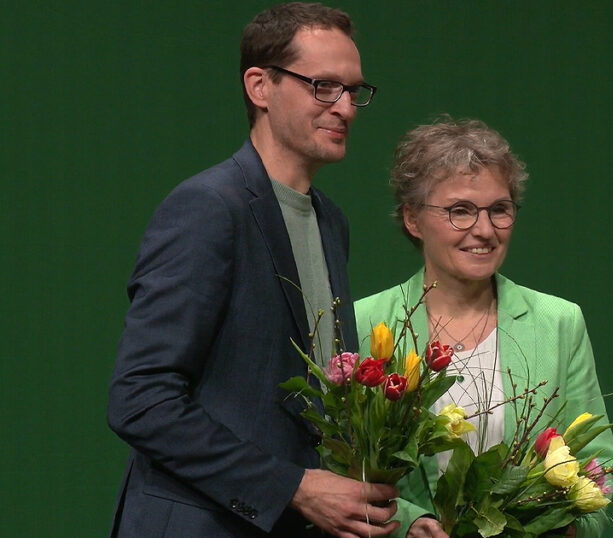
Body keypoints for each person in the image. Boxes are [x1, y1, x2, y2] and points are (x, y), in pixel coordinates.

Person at [106, 4, 399, 537]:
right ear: (260, 86)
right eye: (323, 87)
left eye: (354, 90)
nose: (347, 108)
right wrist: (295, 487)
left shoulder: (331, 222)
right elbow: (140, 400)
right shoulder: (207, 209)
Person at [353, 118, 613, 538]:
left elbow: (597, 472)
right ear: (413, 219)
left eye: (499, 209)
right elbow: (339, 471)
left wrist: (560, 525)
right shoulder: (366, 322)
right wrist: (407, 523)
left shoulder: (559, 323)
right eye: (460, 211)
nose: (484, 230)